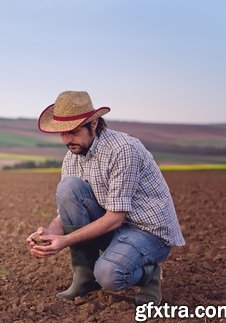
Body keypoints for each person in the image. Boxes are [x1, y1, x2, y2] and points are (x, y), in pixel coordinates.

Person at [26, 91, 185, 305]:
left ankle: (148, 274)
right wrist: (48, 236)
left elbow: (115, 218)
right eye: (62, 133)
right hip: (114, 227)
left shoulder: (122, 150)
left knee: (109, 276)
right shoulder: (73, 156)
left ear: (93, 124)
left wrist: (64, 241)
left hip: (148, 231)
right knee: (68, 187)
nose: (66, 140)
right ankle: (85, 278)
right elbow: (66, 213)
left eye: (73, 132)